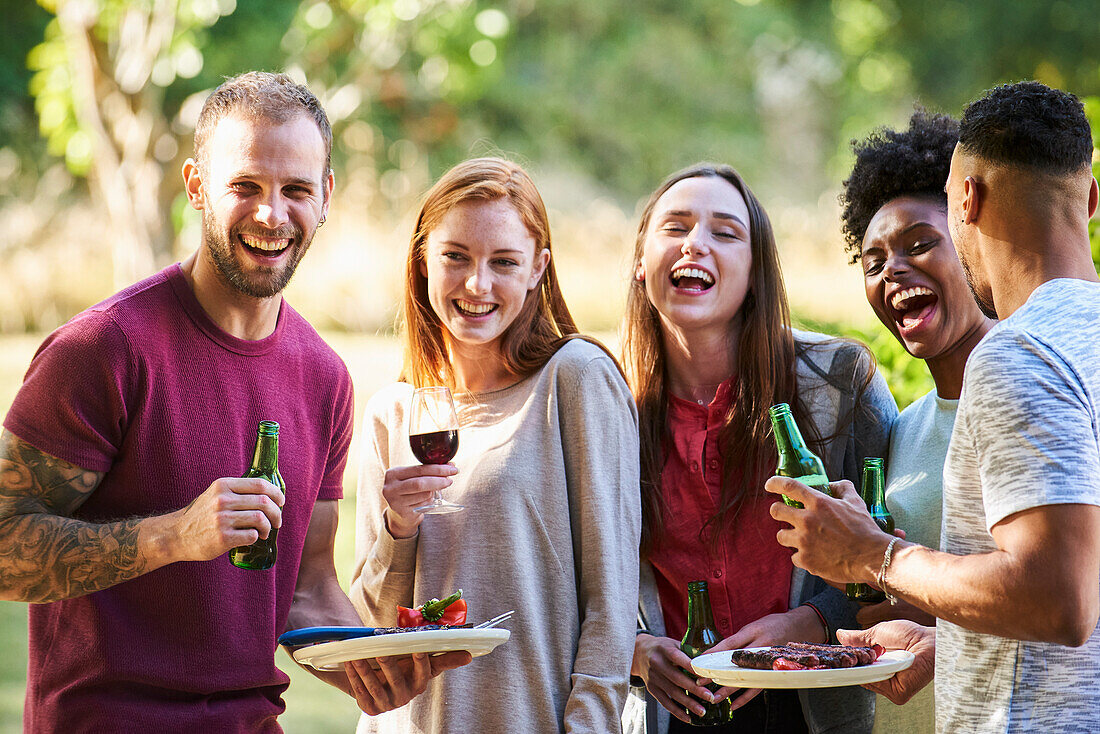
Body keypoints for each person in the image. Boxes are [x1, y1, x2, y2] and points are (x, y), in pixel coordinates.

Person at [0, 71, 466, 732]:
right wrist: (175, 535)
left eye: (296, 189)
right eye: (245, 185)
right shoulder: (104, 350)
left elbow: (305, 588)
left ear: (326, 196)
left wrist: (370, 667)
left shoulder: (325, 377)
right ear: (196, 186)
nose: (272, 213)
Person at [767, 80, 1100, 732]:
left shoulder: (1016, 354)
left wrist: (875, 556)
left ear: (966, 201)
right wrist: (949, 641)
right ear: (1089, 200)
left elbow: (1060, 598)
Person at [349, 157, 641, 733]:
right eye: (455, 256)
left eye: (503, 262)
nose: (476, 284)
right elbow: (373, 634)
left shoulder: (575, 380)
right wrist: (398, 529)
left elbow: (611, 608)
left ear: (538, 269)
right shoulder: (394, 413)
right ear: (423, 259)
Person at [620, 163, 897, 734]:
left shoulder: (839, 382)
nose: (695, 243)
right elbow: (569, 582)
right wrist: (637, 651)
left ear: (755, 270)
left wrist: (813, 620)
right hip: (674, 716)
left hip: (814, 709)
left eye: (725, 232)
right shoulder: (607, 409)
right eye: (675, 227)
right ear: (639, 262)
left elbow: (902, 547)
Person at [838, 109, 995, 733]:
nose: (892, 271)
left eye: (919, 244)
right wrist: (850, 563)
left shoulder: (1043, 395)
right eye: (873, 261)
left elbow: (1058, 596)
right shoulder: (904, 427)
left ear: (972, 235)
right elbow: (912, 601)